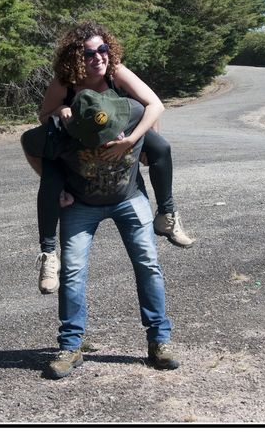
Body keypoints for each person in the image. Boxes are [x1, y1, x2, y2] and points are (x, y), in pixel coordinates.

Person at [21, 21, 194, 295]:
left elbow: (154, 105)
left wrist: (133, 142)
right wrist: (61, 109)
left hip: (123, 134)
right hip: (78, 138)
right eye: (89, 54)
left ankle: (166, 215)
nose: (98, 57)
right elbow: (44, 117)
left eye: (102, 50)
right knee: (52, 178)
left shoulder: (115, 72)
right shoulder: (64, 83)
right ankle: (49, 255)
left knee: (161, 147)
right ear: (76, 58)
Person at [44, 88, 181, 378]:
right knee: (73, 271)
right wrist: (57, 188)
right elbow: (31, 144)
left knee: (148, 264)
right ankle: (70, 347)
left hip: (129, 198)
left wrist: (138, 141)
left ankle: (160, 341)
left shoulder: (131, 111)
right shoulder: (62, 125)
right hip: (80, 204)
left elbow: (155, 111)